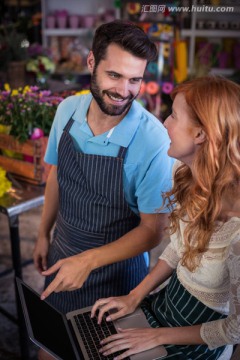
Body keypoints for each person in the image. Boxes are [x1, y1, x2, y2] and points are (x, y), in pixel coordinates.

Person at [91, 75, 240, 360]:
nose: (164, 123)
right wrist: (135, 295)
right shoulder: (186, 178)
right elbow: (179, 248)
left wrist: (156, 336)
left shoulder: (237, 234)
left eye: (173, 115)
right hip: (167, 306)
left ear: (200, 135)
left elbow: (235, 329)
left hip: (197, 341)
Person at [33, 20, 174, 314]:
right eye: (114, 75)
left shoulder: (154, 139)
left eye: (134, 80)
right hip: (63, 253)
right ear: (91, 62)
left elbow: (152, 231)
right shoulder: (67, 111)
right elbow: (57, 175)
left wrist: (88, 261)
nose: (124, 91)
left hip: (118, 277)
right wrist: (43, 234)